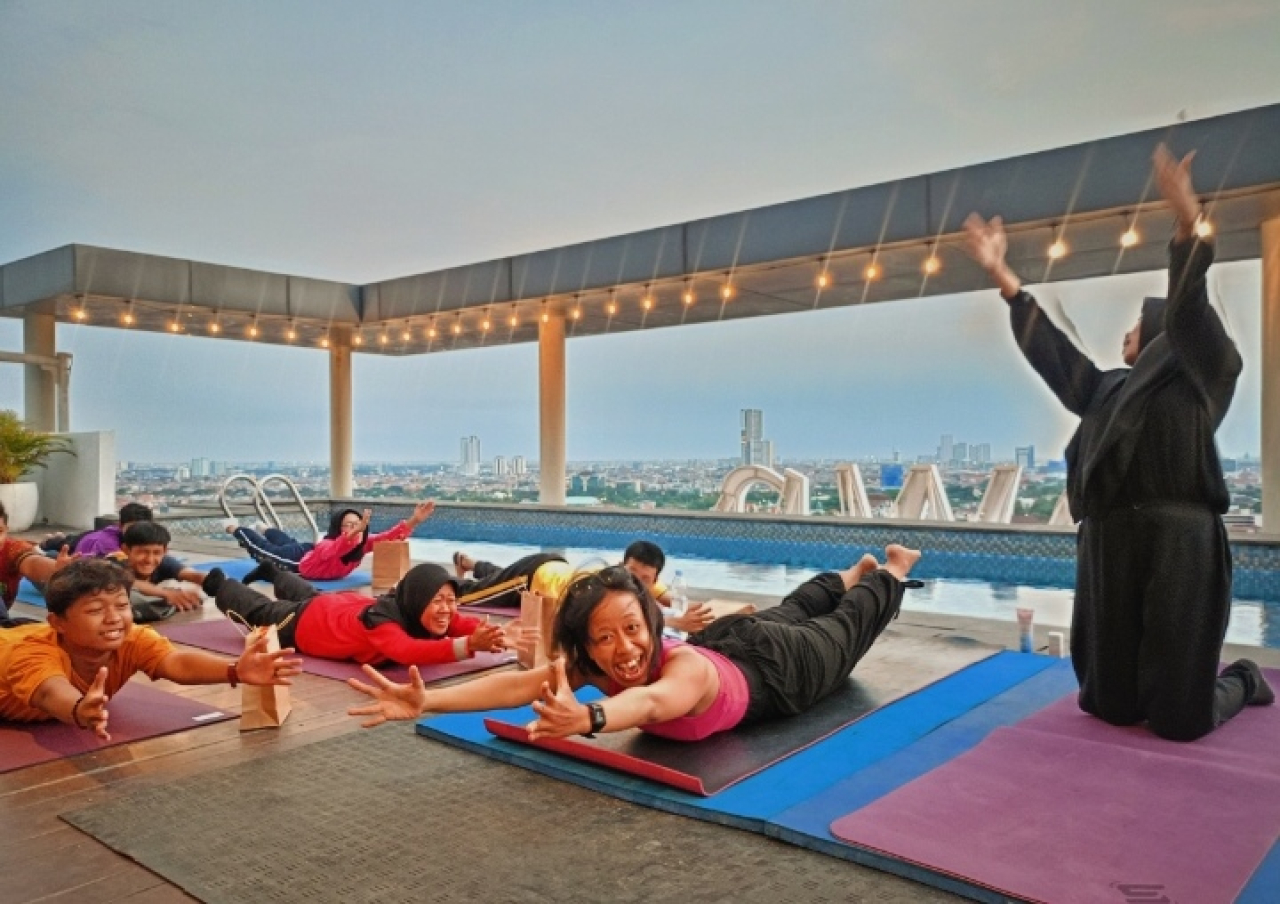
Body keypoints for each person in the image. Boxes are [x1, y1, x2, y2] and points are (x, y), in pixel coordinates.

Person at [961, 143, 1273, 741]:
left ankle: (1241, 679)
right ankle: (1130, 690)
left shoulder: (1208, 372)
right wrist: (1006, 281)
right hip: (1111, 540)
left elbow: (1189, 311)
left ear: (1161, 331)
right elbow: (1055, 357)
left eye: (1138, 322)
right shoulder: (1107, 390)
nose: (1128, 329)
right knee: (1108, 704)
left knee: (1180, 719)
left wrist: (1187, 225)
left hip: (1179, 538)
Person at [348, 545, 920, 742]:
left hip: (777, 670)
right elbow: (519, 684)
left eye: (631, 629)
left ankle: (888, 570)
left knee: (842, 631)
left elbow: (646, 704)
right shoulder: (597, 667)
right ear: (587, 647)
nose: (622, 648)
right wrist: (428, 702)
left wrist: (590, 719)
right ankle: (846, 573)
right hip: (736, 638)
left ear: (651, 625)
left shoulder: (686, 670)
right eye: (603, 637)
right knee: (791, 609)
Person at [0, 559, 301, 739]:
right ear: (58, 622)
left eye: (121, 605)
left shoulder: (131, 638)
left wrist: (235, 670)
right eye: (94, 610)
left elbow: (176, 663)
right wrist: (79, 710)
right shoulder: (31, 653)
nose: (114, 618)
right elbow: (49, 691)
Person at [204, 561, 514, 667]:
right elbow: (406, 651)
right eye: (438, 600)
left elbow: (457, 621)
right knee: (262, 612)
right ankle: (220, 584)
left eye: (451, 599)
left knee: (309, 595)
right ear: (420, 598)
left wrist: (496, 633)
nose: (446, 608)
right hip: (310, 623)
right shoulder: (382, 622)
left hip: (340, 607)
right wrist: (470, 646)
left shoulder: (414, 606)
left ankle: (274, 573)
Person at [453, 540, 716, 636]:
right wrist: (674, 624)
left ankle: (469, 562)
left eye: (646, 578)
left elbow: (674, 600)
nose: (637, 580)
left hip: (555, 568)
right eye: (631, 572)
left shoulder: (644, 580)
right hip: (534, 577)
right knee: (472, 596)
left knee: (497, 579)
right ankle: (450, 579)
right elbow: (609, 618)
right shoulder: (602, 579)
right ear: (621, 564)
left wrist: (694, 613)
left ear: (655, 576)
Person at [226, 501, 435, 582]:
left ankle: (266, 528)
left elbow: (388, 537)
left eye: (358, 524)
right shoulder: (329, 545)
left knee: (287, 542)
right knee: (265, 552)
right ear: (338, 528)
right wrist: (355, 533)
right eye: (348, 525)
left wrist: (415, 519)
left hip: (308, 552)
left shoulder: (363, 544)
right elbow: (337, 548)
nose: (355, 529)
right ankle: (235, 528)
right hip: (299, 566)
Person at [0, 501, 76, 623]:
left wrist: (56, 569)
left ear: (6, 530)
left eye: (0, 531)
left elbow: (31, 564)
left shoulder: (11, 549)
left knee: (53, 560)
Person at [113, 521, 211, 616]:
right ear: (125, 550)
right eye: (142, 552)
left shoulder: (165, 562)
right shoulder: (113, 564)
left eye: (156, 553)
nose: (149, 560)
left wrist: (215, 583)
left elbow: (192, 575)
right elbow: (128, 582)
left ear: (165, 551)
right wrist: (166, 593)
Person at [38, 502, 153, 557]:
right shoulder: (109, 544)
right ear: (120, 526)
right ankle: (50, 540)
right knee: (57, 544)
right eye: (132, 528)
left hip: (95, 536)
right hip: (82, 542)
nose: (137, 532)